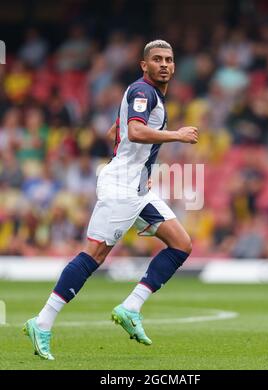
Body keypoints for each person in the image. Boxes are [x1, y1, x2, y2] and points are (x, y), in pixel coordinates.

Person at [23, 40, 199, 360]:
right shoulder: (145, 92)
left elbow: (121, 129)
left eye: (169, 60)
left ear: (174, 66)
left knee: (181, 243)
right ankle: (42, 321)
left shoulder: (146, 94)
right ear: (143, 65)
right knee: (94, 254)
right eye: (156, 59)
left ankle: (131, 308)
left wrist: (131, 149)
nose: (164, 64)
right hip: (122, 187)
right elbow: (135, 131)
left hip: (137, 188)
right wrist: (177, 135)